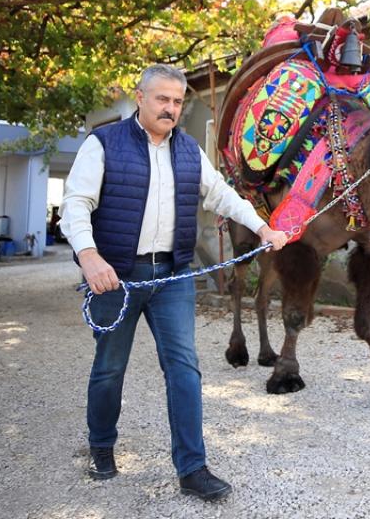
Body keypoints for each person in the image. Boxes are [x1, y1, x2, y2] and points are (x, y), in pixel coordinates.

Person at [61, 64, 289, 501]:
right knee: (110, 367)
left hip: (173, 276)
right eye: (162, 99)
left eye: (177, 101)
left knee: (184, 368)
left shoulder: (187, 150)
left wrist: (263, 228)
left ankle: (192, 468)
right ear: (141, 97)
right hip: (116, 278)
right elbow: (76, 203)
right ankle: (101, 447)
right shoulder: (103, 143)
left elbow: (221, 194)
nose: (170, 108)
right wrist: (89, 257)